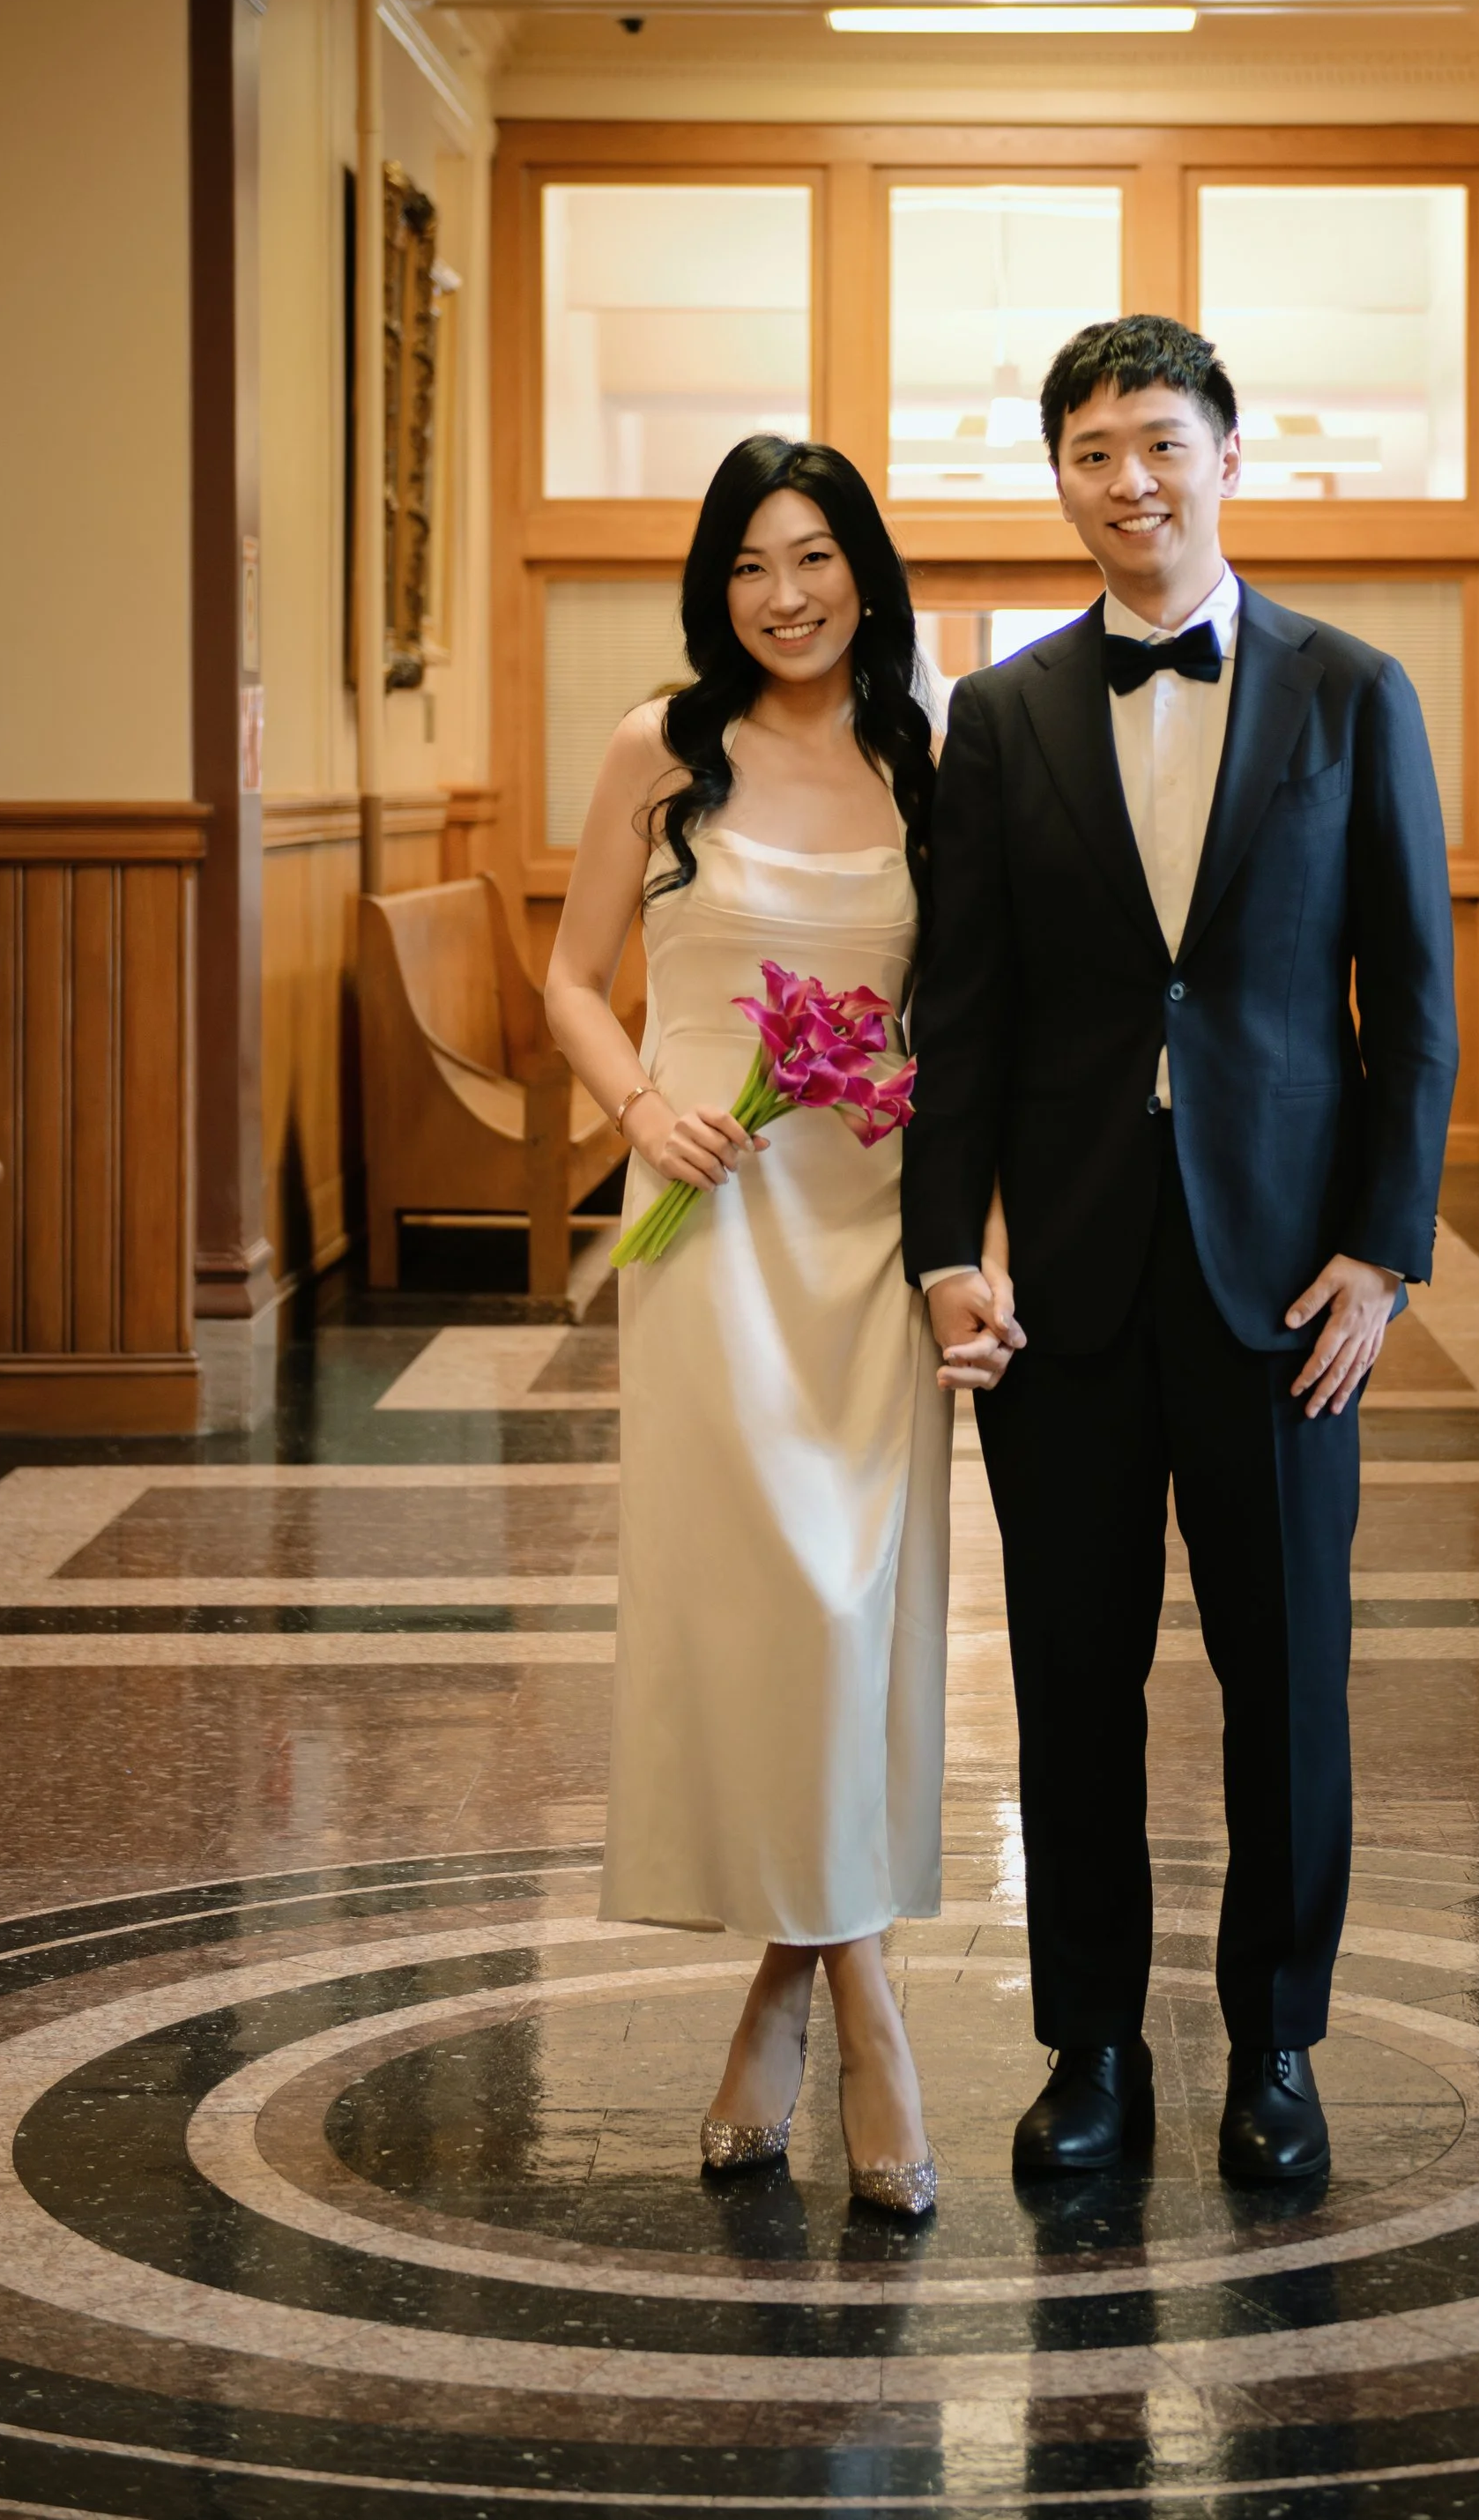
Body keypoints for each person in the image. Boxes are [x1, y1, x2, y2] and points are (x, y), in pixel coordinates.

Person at [903, 315, 1457, 2186]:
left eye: (1158, 442)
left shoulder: (1350, 691)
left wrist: (1380, 1254)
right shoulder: (1000, 716)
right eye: (1091, 452)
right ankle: (1091, 2051)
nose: (1127, 481)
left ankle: (1276, 2049)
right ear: (1058, 479)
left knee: (1285, 1683)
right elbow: (962, 1019)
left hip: (1284, 1290)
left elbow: (1413, 1004)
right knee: (1072, 1682)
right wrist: (944, 1252)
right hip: (1063, 1284)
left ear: (1227, 454)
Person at [544, 435, 952, 2219]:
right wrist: (643, 1109)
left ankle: (789, 1989)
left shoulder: (927, 755)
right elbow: (570, 980)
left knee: (850, 1622)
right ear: (716, 590)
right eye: (748, 566)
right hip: (707, 1232)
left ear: (864, 568)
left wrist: (971, 1235)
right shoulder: (660, 746)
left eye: (814, 557)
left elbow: (971, 1016)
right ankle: (869, 2013)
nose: (785, 596)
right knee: (766, 1616)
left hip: (870, 1235)